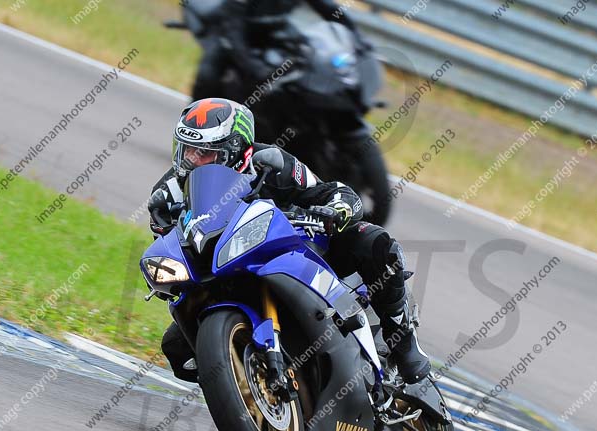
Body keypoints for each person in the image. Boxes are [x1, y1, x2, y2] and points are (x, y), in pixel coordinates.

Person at [148, 98, 430, 384]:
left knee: (375, 242)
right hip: (220, 273)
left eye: (203, 153)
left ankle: (402, 340)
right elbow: (170, 247)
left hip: (293, 249)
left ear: (233, 150)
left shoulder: (271, 162)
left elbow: (330, 192)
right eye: (187, 150)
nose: (192, 160)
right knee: (177, 351)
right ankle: (253, 387)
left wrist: (334, 211)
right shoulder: (166, 194)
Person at [191, 0, 369, 100]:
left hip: (274, 30)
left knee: (311, 55)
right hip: (233, 31)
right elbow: (233, 30)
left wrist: (357, 37)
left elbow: (329, 9)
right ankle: (198, 129)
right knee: (209, 74)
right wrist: (253, 67)